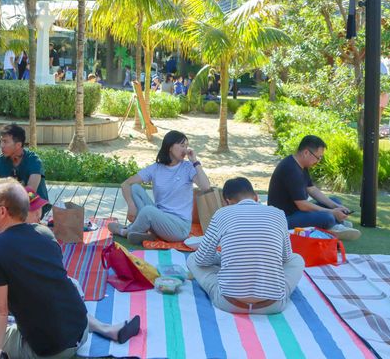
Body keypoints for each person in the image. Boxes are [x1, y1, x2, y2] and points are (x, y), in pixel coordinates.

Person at [0, 179, 140, 358]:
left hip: (50, 350)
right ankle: (107, 329)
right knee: (64, 289)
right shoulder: (44, 232)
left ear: (2, 211)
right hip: (80, 332)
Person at [188, 177, 305, 314]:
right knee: (297, 259)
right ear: (256, 197)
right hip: (272, 305)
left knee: (193, 258)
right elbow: (285, 259)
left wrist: (223, 258)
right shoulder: (278, 214)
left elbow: (201, 260)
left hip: (229, 303)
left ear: (227, 201)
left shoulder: (222, 214)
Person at [109, 130, 210, 244]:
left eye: (186, 146)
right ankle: (148, 232)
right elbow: (126, 184)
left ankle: (125, 231)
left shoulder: (188, 168)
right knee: (135, 188)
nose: (185, 150)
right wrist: (131, 206)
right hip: (159, 218)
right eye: (182, 145)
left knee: (148, 211)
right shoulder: (156, 168)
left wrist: (195, 162)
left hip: (179, 228)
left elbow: (206, 187)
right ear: (170, 147)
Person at [267, 135, 360, 240]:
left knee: (335, 200)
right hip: (284, 219)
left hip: (297, 212)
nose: (319, 161)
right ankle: (332, 226)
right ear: (306, 152)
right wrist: (331, 212)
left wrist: (335, 206)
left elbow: (312, 189)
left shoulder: (301, 165)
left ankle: (335, 223)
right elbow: (302, 205)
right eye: (318, 157)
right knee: (327, 217)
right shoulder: (291, 169)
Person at [0, 124, 49, 217]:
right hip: (9, 204)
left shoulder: (33, 160)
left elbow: (31, 191)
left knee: (28, 196)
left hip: (32, 205)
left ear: (18, 145)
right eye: (1, 141)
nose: (1, 145)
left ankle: (0, 218)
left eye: (5, 142)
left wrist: (5, 203)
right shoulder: (1, 160)